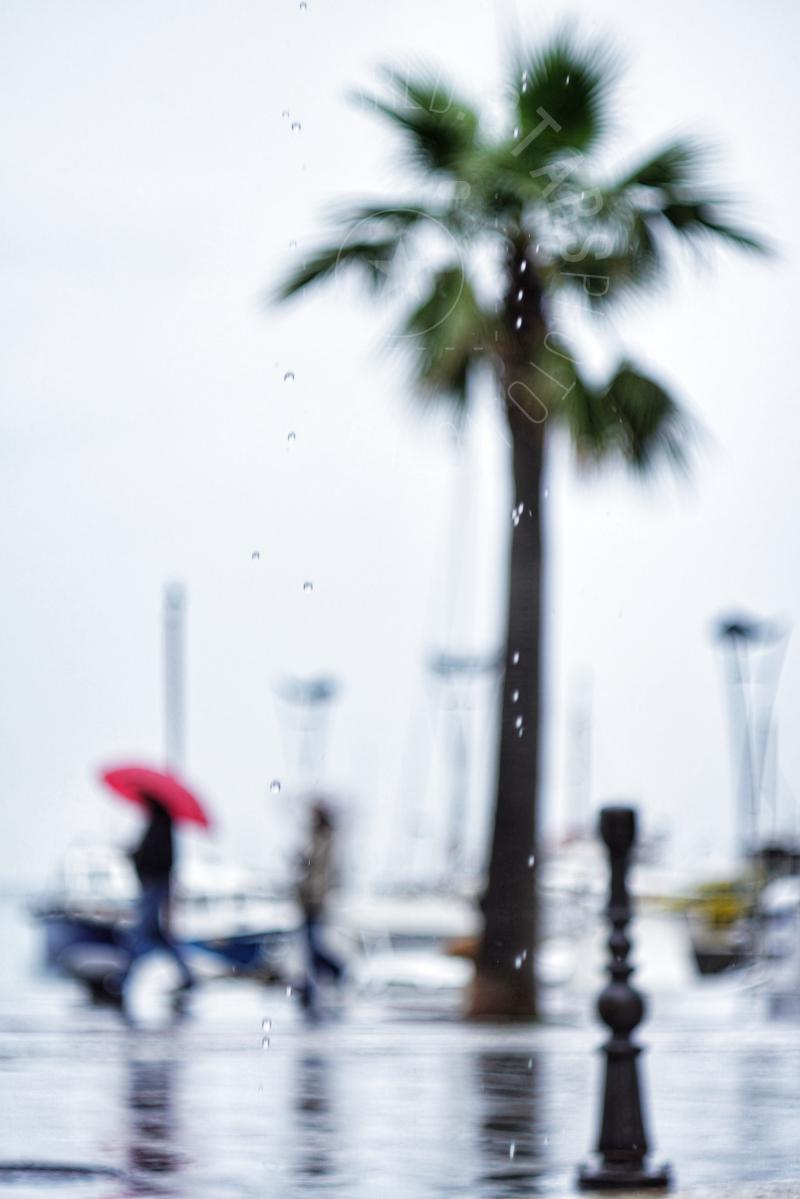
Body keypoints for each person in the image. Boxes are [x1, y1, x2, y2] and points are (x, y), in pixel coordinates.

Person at [121, 797, 193, 997]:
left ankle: (121, 980)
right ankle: (187, 978)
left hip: (153, 887)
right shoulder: (160, 824)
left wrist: (135, 856)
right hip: (154, 886)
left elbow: (155, 859)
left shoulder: (159, 824)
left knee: (140, 935)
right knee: (155, 936)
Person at [295, 801, 344, 1013]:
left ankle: (336, 970)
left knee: (312, 943)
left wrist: (315, 895)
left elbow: (320, 871)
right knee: (309, 943)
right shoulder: (319, 838)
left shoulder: (323, 839)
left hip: (313, 899)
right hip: (310, 898)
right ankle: (312, 982)